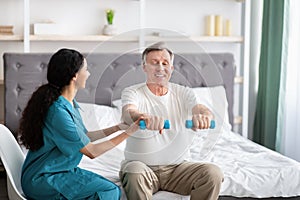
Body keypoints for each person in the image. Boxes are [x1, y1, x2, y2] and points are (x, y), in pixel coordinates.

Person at [19, 48, 141, 200]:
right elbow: (92, 151)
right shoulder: (58, 112)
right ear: (75, 76)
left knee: (111, 187)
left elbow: (84, 137)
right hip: (43, 179)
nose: (88, 74)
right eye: (86, 69)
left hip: (62, 171)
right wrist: (129, 133)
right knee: (109, 192)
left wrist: (118, 127)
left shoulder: (69, 103)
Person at [119, 42, 224, 200]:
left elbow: (199, 108)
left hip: (178, 170)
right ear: (144, 67)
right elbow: (129, 112)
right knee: (134, 172)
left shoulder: (184, 92)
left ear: (172, 68)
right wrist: (144, 117)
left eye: (165, 63)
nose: (160, 68)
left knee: (213, 173)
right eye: (154, 63)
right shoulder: (132, 92)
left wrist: (205, 116)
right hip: (143, 168)